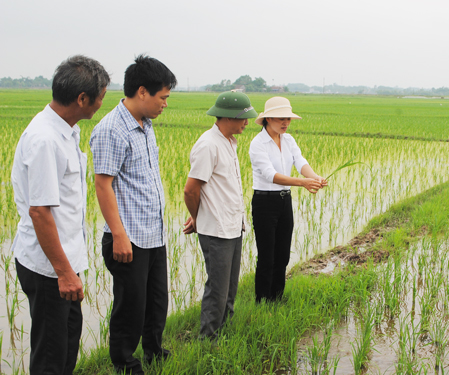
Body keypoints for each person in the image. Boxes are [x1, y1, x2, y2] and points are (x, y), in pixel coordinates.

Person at [11, 55, 110, 375]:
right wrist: (64, 273)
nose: (100, 105)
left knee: (67, 342)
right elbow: (40, 212)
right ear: (82, 99)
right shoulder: (45, 139)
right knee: (51, 354)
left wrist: (70, 269)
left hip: (63, 261)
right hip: (48, 267)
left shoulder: (66, 130)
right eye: (100, 98)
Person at [89, 55, 176, 375]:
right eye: (163, 97)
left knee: (156, 300)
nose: (165, 104)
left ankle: (154, 349)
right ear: (143, 92)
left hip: (153, 233)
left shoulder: (146, 125)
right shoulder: (111, 129)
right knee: (130, 306)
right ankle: (125, 363)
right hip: (128, 237)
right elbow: (103, 186)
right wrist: (119, 236)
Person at [183, 90, 257, 340]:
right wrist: (198, 217)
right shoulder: (208, 144)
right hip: (216, 230)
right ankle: (208, 339)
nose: (247, 123)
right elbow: (191, 189)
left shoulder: (229, 141)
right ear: (227, 117)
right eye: (243, 118)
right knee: (217, 288)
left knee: (230, 288)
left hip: (233, 226)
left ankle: (225, 331)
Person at [249, 97, 327, 303]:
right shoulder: (258, 144)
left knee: (282, 255)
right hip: (264, 202)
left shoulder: (288, 140)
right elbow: (269, 174)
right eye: (281, 119)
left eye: (288, 119)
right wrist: (303, 183)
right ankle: (262, 302)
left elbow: (301, 162)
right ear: (268, 119)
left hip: (284, 201)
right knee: (267, 256)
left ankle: (277, 298)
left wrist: (315, 177)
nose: (286, 123)